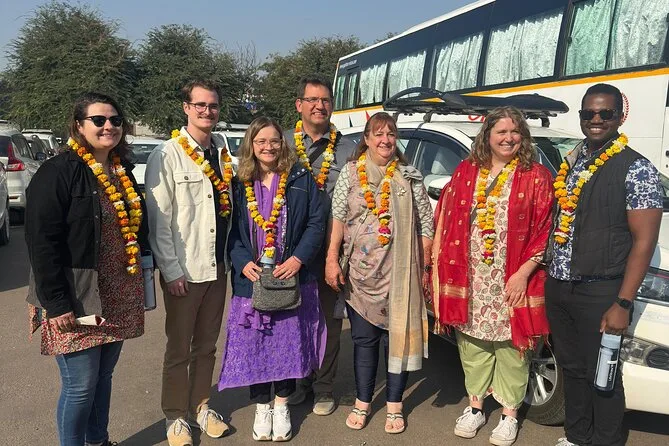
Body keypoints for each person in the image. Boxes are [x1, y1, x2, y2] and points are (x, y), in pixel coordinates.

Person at [25, 92, 148, 446]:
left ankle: (98, 440)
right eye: (98, 120)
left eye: (115, 120)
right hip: (76, 294)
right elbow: (41, 242)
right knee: (80, 384)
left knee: (103, 376)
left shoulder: (122, 171)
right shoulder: (57, 172)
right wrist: (57, 303)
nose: (108, 126)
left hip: (117, 290)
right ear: (79, 126)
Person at [545, 83, 663, 446]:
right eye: (589, 113)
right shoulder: (573, 160)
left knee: (604, 374)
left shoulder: (636, 168)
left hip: (602, 289)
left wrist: (623, 302)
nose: (596, 119)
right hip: (560, 284)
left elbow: (644, 241)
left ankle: (606, 440)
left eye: (605, 113)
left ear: (620, 117)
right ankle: (576, 435)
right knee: (572, 368)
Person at [431, 106, 554, 446]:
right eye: (501, 131)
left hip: (514, 276)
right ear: (487, 136)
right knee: (473, 343)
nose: (508, 138)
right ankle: (475, 408)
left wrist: (523, 273)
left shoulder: (537, 176)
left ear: (523, 137)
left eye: (515, 131)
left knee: (512, 346)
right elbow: (445, 217)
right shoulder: (467, 170)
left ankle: (509, 414)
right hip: (471, 276)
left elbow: (545, 229)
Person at [218, 116, 326, 442]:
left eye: (274, 141)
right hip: (252, 278)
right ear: (251, 144)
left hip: (290, 276)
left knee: (287, 345)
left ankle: (281, 406)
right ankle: (262, 406)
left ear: (283, 144)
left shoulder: (300, 178)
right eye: (261, 141)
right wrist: (241, 262)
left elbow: (316, 222)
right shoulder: (239, 183)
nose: (268, 147)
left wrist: (298, 258)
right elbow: (232, 230)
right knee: (255, 345)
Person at [325, 112, 433, 434]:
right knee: (364, 341)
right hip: (360, 277)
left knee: (397, 341)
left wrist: (423, 265)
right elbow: (338, 218)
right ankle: (363, 402)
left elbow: (426, 224)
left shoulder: (409, 176)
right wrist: (331, 259)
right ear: (367, 139)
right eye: (379, 134)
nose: (385, 140)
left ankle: (395, 405)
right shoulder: (350, 173)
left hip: (401, 276)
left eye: (391, 134)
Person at [144, 80, 233, 446]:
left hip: (218, 267)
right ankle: (175, 416)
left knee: (207, 345)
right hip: (185, 270)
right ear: (186, 107)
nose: (207, 111)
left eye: (212, 105)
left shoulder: (222, 151)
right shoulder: (166, 155)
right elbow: (159, 219)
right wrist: (171, 270)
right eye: (200, 105)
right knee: (179, 348)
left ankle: (201, 407)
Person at [285, 75, 356, 416]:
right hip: (291, 249)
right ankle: (299, 379)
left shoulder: (348, 148)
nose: (319, 106)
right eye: (312, 99)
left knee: (328, 320)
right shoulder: (282, 142)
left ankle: (324, 386)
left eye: (325, 100)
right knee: (294, 318)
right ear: (299, 104)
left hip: (331, 248)